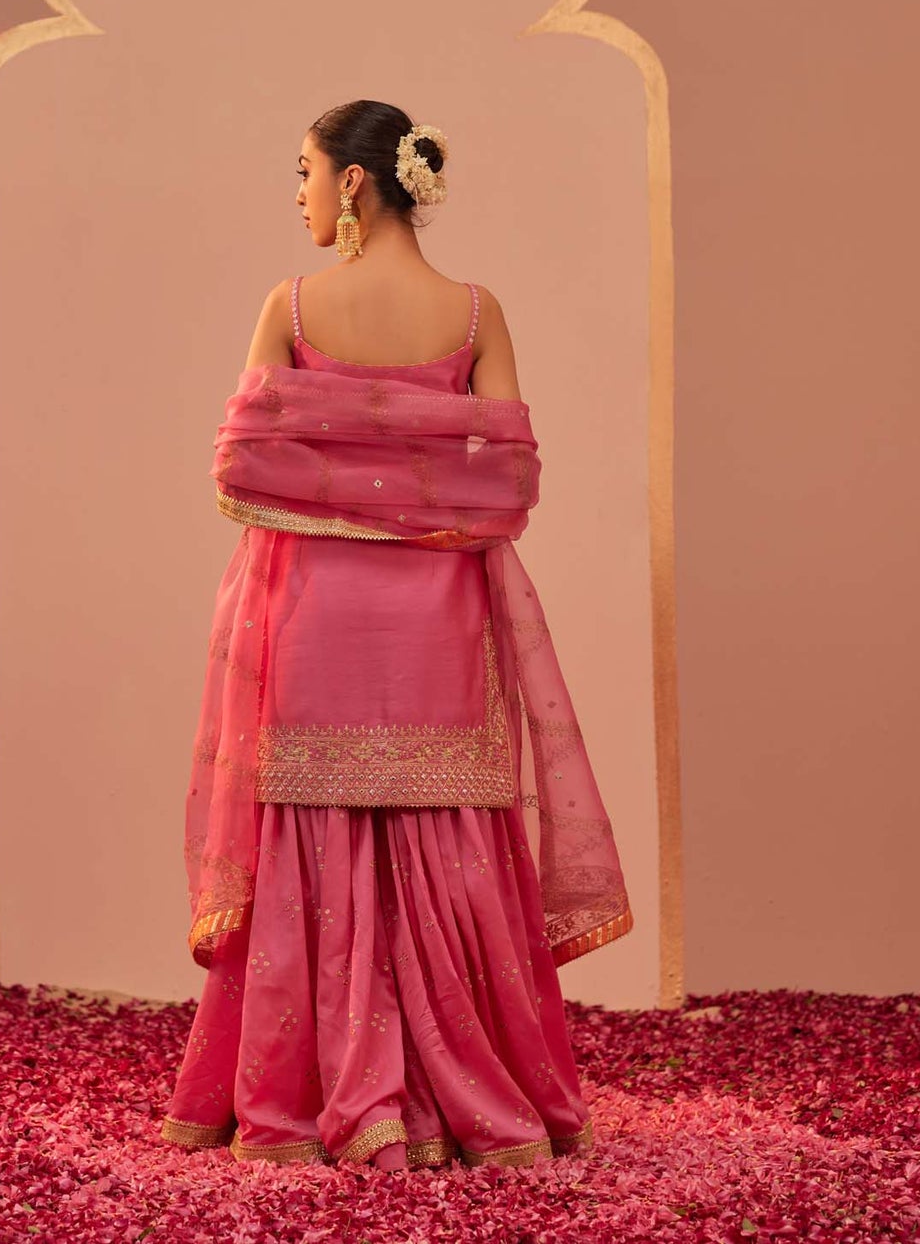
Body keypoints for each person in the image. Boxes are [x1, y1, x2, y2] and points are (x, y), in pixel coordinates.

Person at [160, 100, 632, 1169]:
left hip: (314, 605)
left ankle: (302, 1096)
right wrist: (419, 497)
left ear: (354, 183)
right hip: (439, 608)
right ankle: (464, 1096)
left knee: (312, 826)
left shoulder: (290, 306)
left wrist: (334, 485)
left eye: (304, 172)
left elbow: (241, 468)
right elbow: (507, 479)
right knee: (444, 827)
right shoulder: (473, 315)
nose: (298, 194)